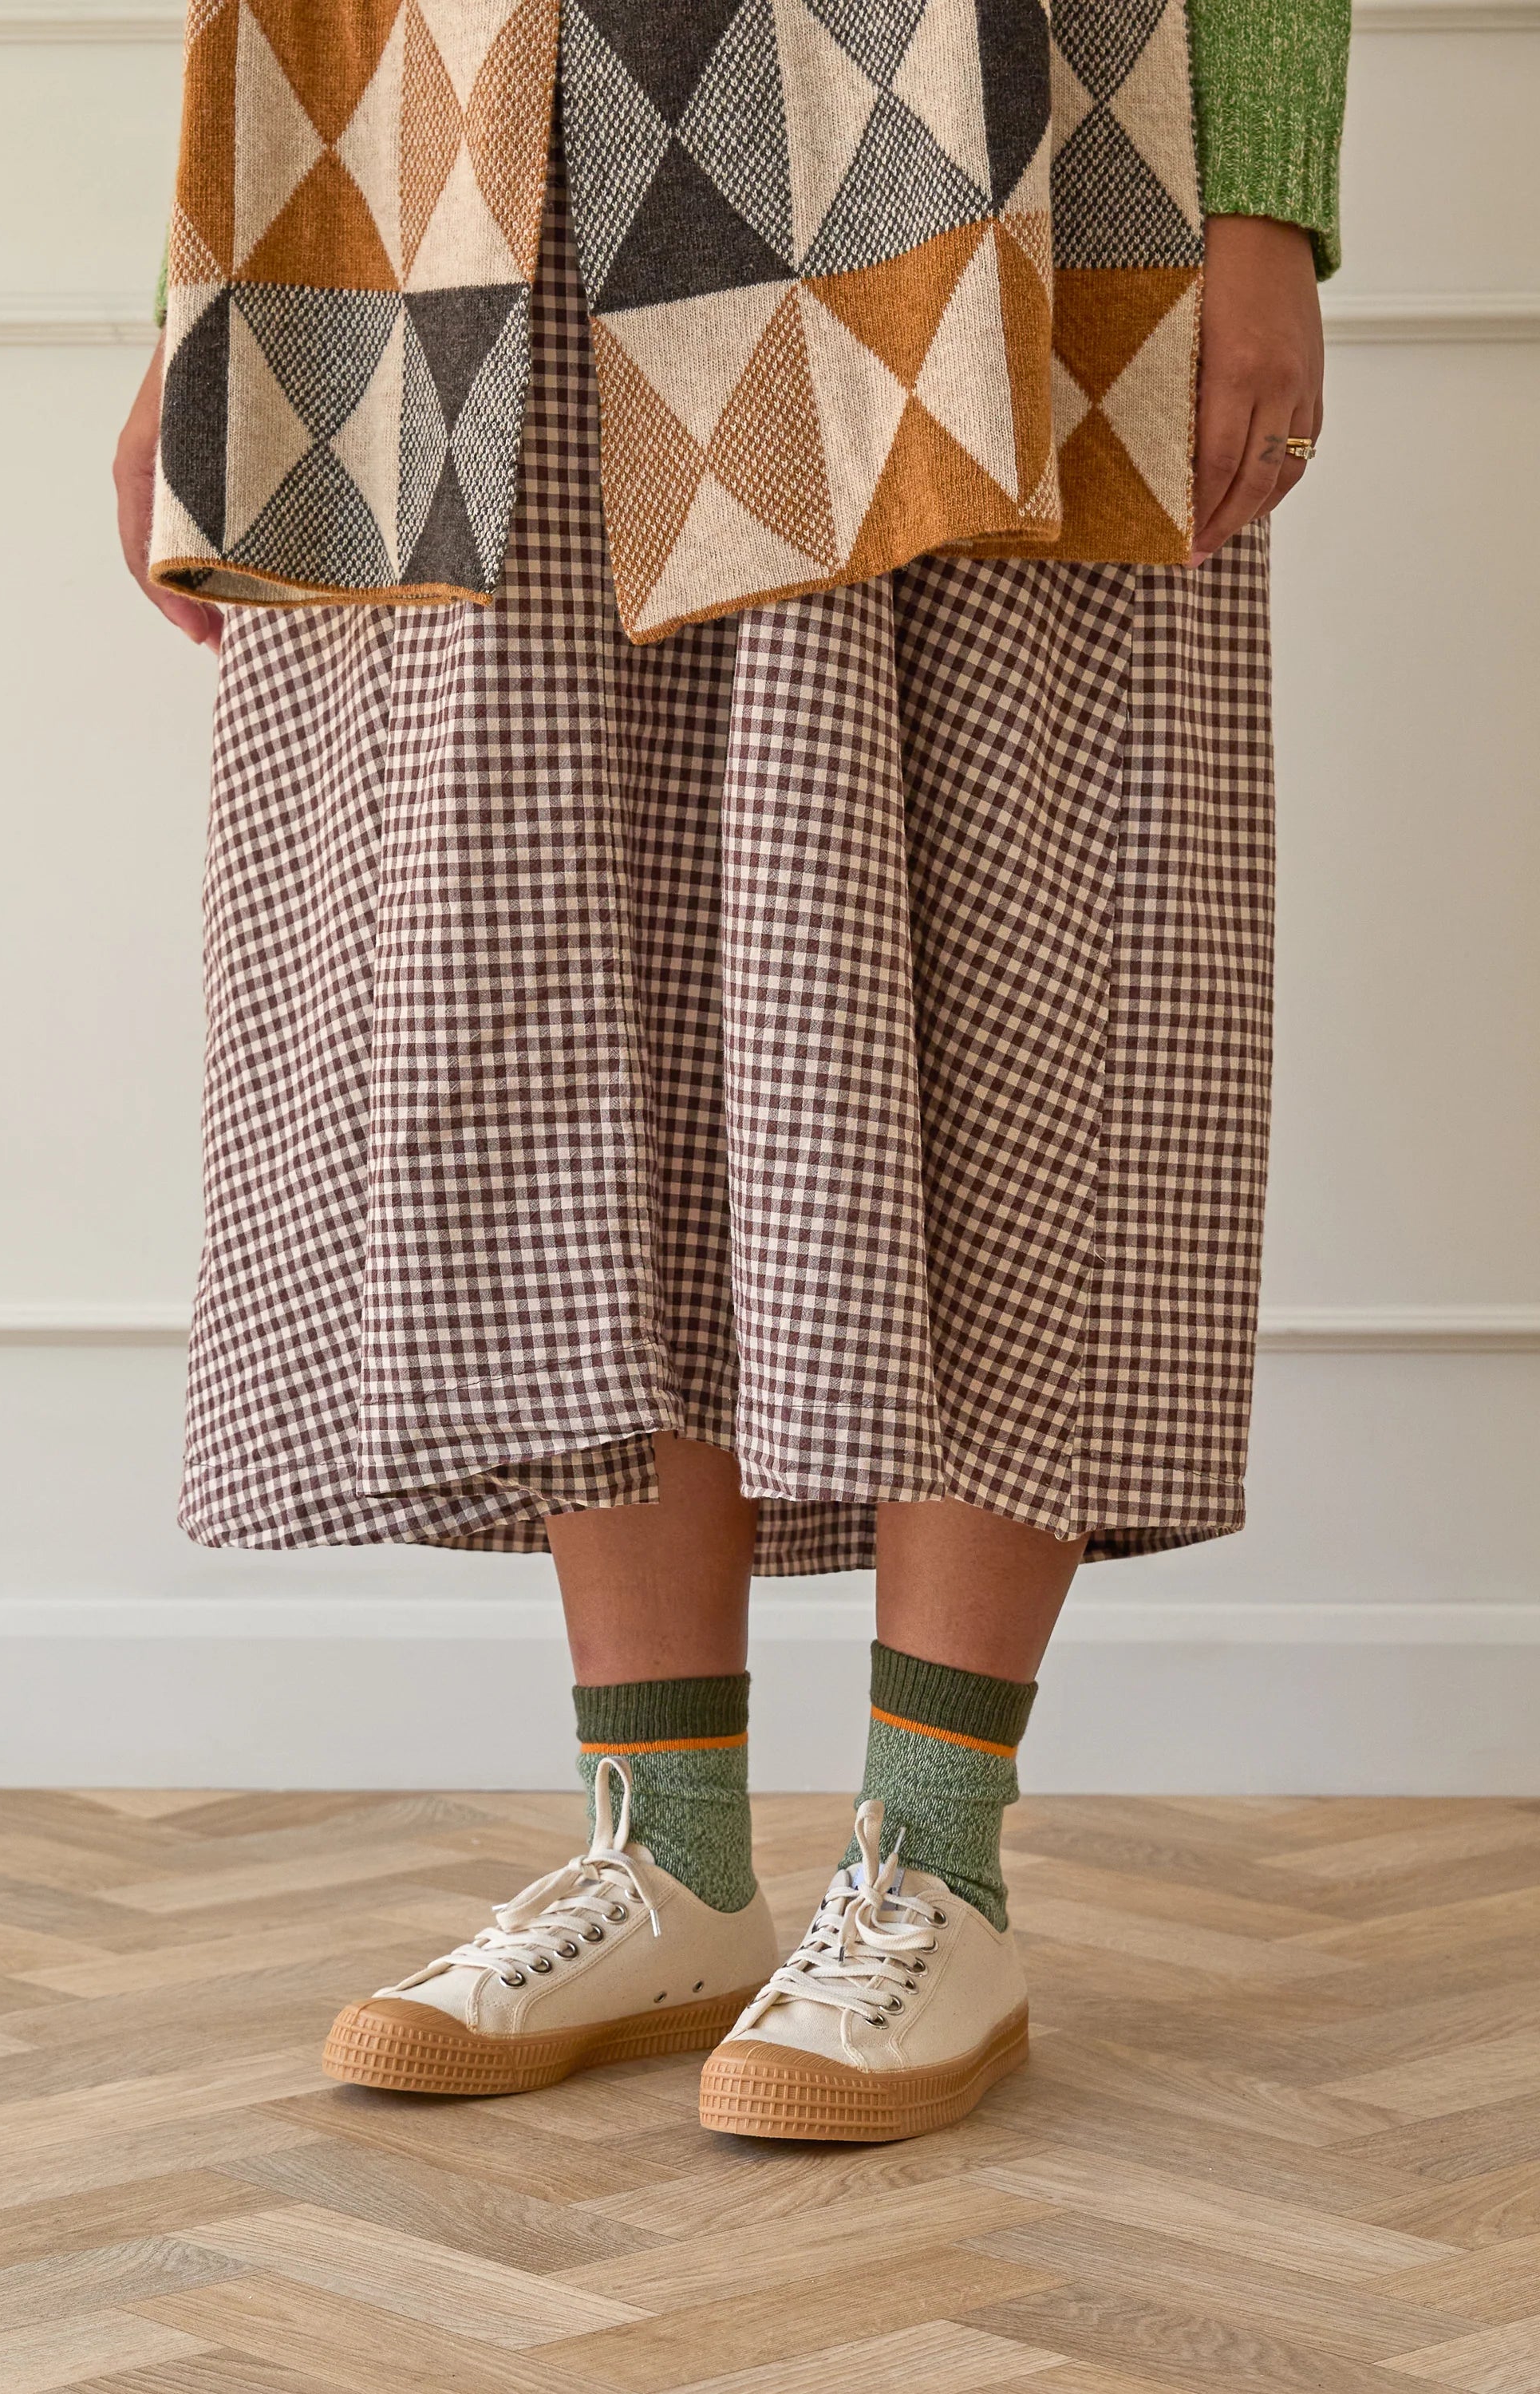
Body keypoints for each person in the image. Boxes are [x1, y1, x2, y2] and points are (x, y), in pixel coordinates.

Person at [116, 0, 1348, 2143]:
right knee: (566, 960)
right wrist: (203, 287)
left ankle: (933, 1866)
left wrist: (1263, 192)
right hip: (455, 125)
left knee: (1005, 914)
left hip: (1003, 108)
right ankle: (663, 1847)